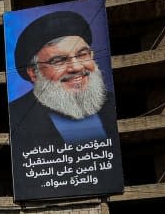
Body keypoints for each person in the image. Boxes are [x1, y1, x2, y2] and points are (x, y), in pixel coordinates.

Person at [9, 10, 118, 146]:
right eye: (59, 60)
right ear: (33, 73)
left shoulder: (113, 103)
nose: (77, 67)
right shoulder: (15, 117)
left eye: (82, 54)